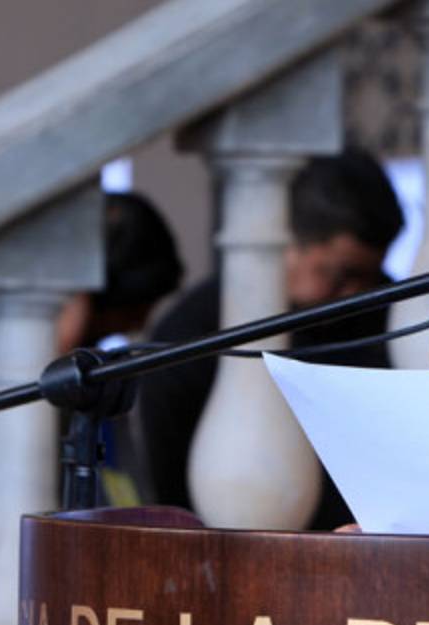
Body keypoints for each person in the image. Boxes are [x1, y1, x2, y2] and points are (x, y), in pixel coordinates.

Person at [0, 191, 183, 606]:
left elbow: (126, 489)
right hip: (0, 592)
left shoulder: (95, 350)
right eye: (135, 308)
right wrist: (51, 343)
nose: (138, 323)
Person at [135, 147, 405, 531]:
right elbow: (170, 490)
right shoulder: (191, 335)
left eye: (372, 277)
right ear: (286, 242)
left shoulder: (389, 317)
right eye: (342, 274)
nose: (359, 293)